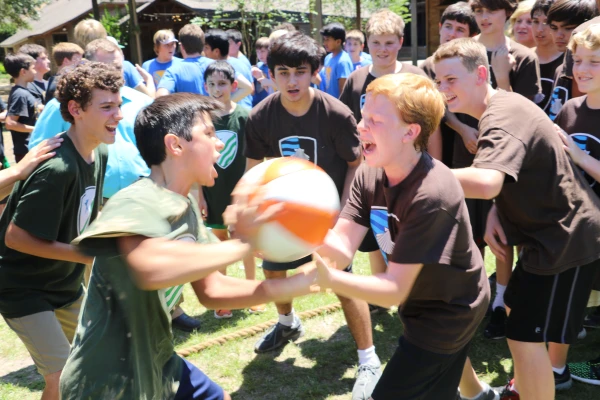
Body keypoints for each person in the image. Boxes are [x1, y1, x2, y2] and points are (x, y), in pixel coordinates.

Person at [58, 92, 317, 400]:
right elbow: (149, 269)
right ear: (176, 145)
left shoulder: (187, 208)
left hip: (158, 362)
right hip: (105, 383)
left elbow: (213, 291)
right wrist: (245, 243)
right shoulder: (136, 199)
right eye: (208, 134)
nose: (219, 142)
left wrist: (297, 285)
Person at [434, 37, 600, 400]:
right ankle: (523, 389)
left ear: (481, 74)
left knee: (525, 336)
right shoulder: (501, 108)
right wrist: (498, 209)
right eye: (438, 81)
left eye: (450, 80)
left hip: (564, 241)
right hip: (546, 240)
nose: (442, 90)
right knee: (517, 317)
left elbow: (488, 180)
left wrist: (417, 174)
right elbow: (512, 175)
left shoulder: (502, 114)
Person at [315, 72, 489, 400]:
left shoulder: (431, 193)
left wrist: (332, 280)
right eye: (362, 117)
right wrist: (292, 227)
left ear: (410, 132)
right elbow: (341, 246)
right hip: (419, 302)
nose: (360, 128)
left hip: (450, 310)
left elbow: (392, 291)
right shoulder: (369, 173)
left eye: (375, 121)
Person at [244, 31, 380, 400]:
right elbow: (254, 167)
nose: (292, 80)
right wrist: (252, 214)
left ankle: (368, 359)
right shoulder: (260, 116)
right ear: (270, 73)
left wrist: (343, 211)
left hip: (331, 215)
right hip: (286, 214)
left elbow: (356, 165)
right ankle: (287, 324)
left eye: (300, 71)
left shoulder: (336, 113)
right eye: (283, 72)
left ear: (315, 72)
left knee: (343, 282)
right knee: (274, 269)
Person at [0, 61, 116, 400]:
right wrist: (85, 254)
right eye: (106, 107)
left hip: (64, 283)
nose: (118, 115)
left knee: (100, 357)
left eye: (118, 104)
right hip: (23, 288)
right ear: (75, 110)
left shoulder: (100, 153)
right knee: (62, 376)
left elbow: (83, 222)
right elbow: (16, 237)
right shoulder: (57, 168)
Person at [340, 8, 442, 317]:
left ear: (400, 42)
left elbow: (431, 126)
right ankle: (379, 289)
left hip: (411, 169)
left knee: (409, 229)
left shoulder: (415, 76)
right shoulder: (357, 78)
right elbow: (348, 125)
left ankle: (418, 290)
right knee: (374, 231)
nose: (382, 50)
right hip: (371, 171)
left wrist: (434, 165)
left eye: (388, 42)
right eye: (376, 42)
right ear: (366, 43)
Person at [553, 23, 600, 389]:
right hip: (579, 231)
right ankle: (559, 366)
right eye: (578, 60)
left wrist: (582, 158)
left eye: (594, 62)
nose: (582, 69)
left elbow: (578, 159)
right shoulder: (569, 108)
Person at [200, 61, 262, 318]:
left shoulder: (245, 116)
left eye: (222, 84)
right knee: (219, 243)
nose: (216, 89)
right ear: (205, 86)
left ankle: (251, 293)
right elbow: (199, 159)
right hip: (213, 189)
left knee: (244, 241)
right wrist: (200, 194)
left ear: (233, 86)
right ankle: (222, 296)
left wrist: (251, 191)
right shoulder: (202, 118)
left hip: (241, 190)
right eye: (211, 84)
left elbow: (256, 158)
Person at [73, 18, 155, 98]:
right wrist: (149, 79)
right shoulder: (124, 66)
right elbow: (149, 98)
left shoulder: (75, 72)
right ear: (104, 36)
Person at [546, 0, 598, 120]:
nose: (559, 35)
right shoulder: (560, 69)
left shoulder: (590, 72)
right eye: (554, 28)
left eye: (568, 28)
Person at [156, 24, 214, 97]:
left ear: (182, 47)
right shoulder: (217, 66)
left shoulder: (173, 71)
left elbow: (160, 97)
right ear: (203, 46)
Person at [203, 29, 254, 109]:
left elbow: (248, 87)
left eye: (206, 47)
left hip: (235, 115)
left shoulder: (223, 67)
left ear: (216, 51)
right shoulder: (240, 62)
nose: (204, 51)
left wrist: (222, 105)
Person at [531, 0, 564, 113]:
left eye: (546, 22)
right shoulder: (522, 58)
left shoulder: (569, 61)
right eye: (535, 21)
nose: (540, 29)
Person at [4, 53, 38, 162]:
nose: (35, 71)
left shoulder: (25, 92)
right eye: (33, 68)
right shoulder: (20, 94)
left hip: (30, 148)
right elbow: (10, 123)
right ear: (23, 72)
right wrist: (36, 129)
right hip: (25, 151)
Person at [319, 22, 354, 98]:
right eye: (324, 39)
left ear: (338, 42)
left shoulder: (343, 61)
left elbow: (344, 93)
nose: (324, 43)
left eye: (327, 40)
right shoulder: (328, 58)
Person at [251, 36, 275, 106]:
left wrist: (260, 77)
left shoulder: (272, 67)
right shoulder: (258, 65)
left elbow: (271, 89)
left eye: (263, 51)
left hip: (268, 103)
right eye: (257, 52)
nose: (260, 55)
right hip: (256, 103)